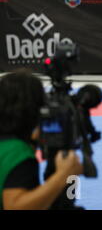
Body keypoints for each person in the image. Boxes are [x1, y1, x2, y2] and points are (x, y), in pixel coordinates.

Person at [0, 69, 83, 210]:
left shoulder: (9, 146)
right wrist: (64, 175)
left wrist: (32, 142)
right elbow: (15, 206)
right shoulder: (18, 153)